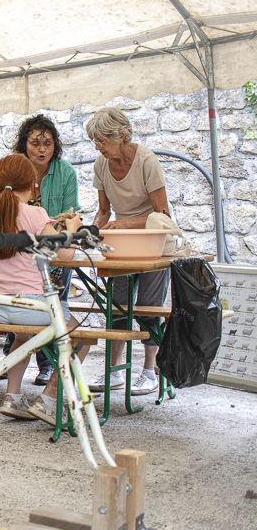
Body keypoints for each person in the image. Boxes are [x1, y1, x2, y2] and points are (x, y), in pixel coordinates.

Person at [0, 154, 95, 425]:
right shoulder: (35, 213)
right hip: (33, 307)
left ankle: (12, 398)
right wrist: (72, 229)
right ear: (32, 184)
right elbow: (65, 256)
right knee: (81, 339)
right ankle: (49, 399)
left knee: (23, 339)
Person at [86, 107, 172, 396]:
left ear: (120, 136)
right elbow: (103, 211)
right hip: (122, 244)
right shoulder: (101, 164)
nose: (97, 148)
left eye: (101, 141)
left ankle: (149, 370)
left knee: (149, 307)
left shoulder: (146, 160)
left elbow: (163, 213)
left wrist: (122, 224)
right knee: (117, 307)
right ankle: (114, 371)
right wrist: (92, 234)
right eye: (95, 142)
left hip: (153, 242)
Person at [0, 114, 82, 386]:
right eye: (35, 143)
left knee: (55, 298)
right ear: (24, 144)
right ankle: (10, 359)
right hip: (24, 253)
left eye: (48, 143)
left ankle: (45, 365)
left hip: (52, 252)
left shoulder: (65, 172)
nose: (42, 149)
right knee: (19, 301)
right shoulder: (14, 170)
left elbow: (69, 213)